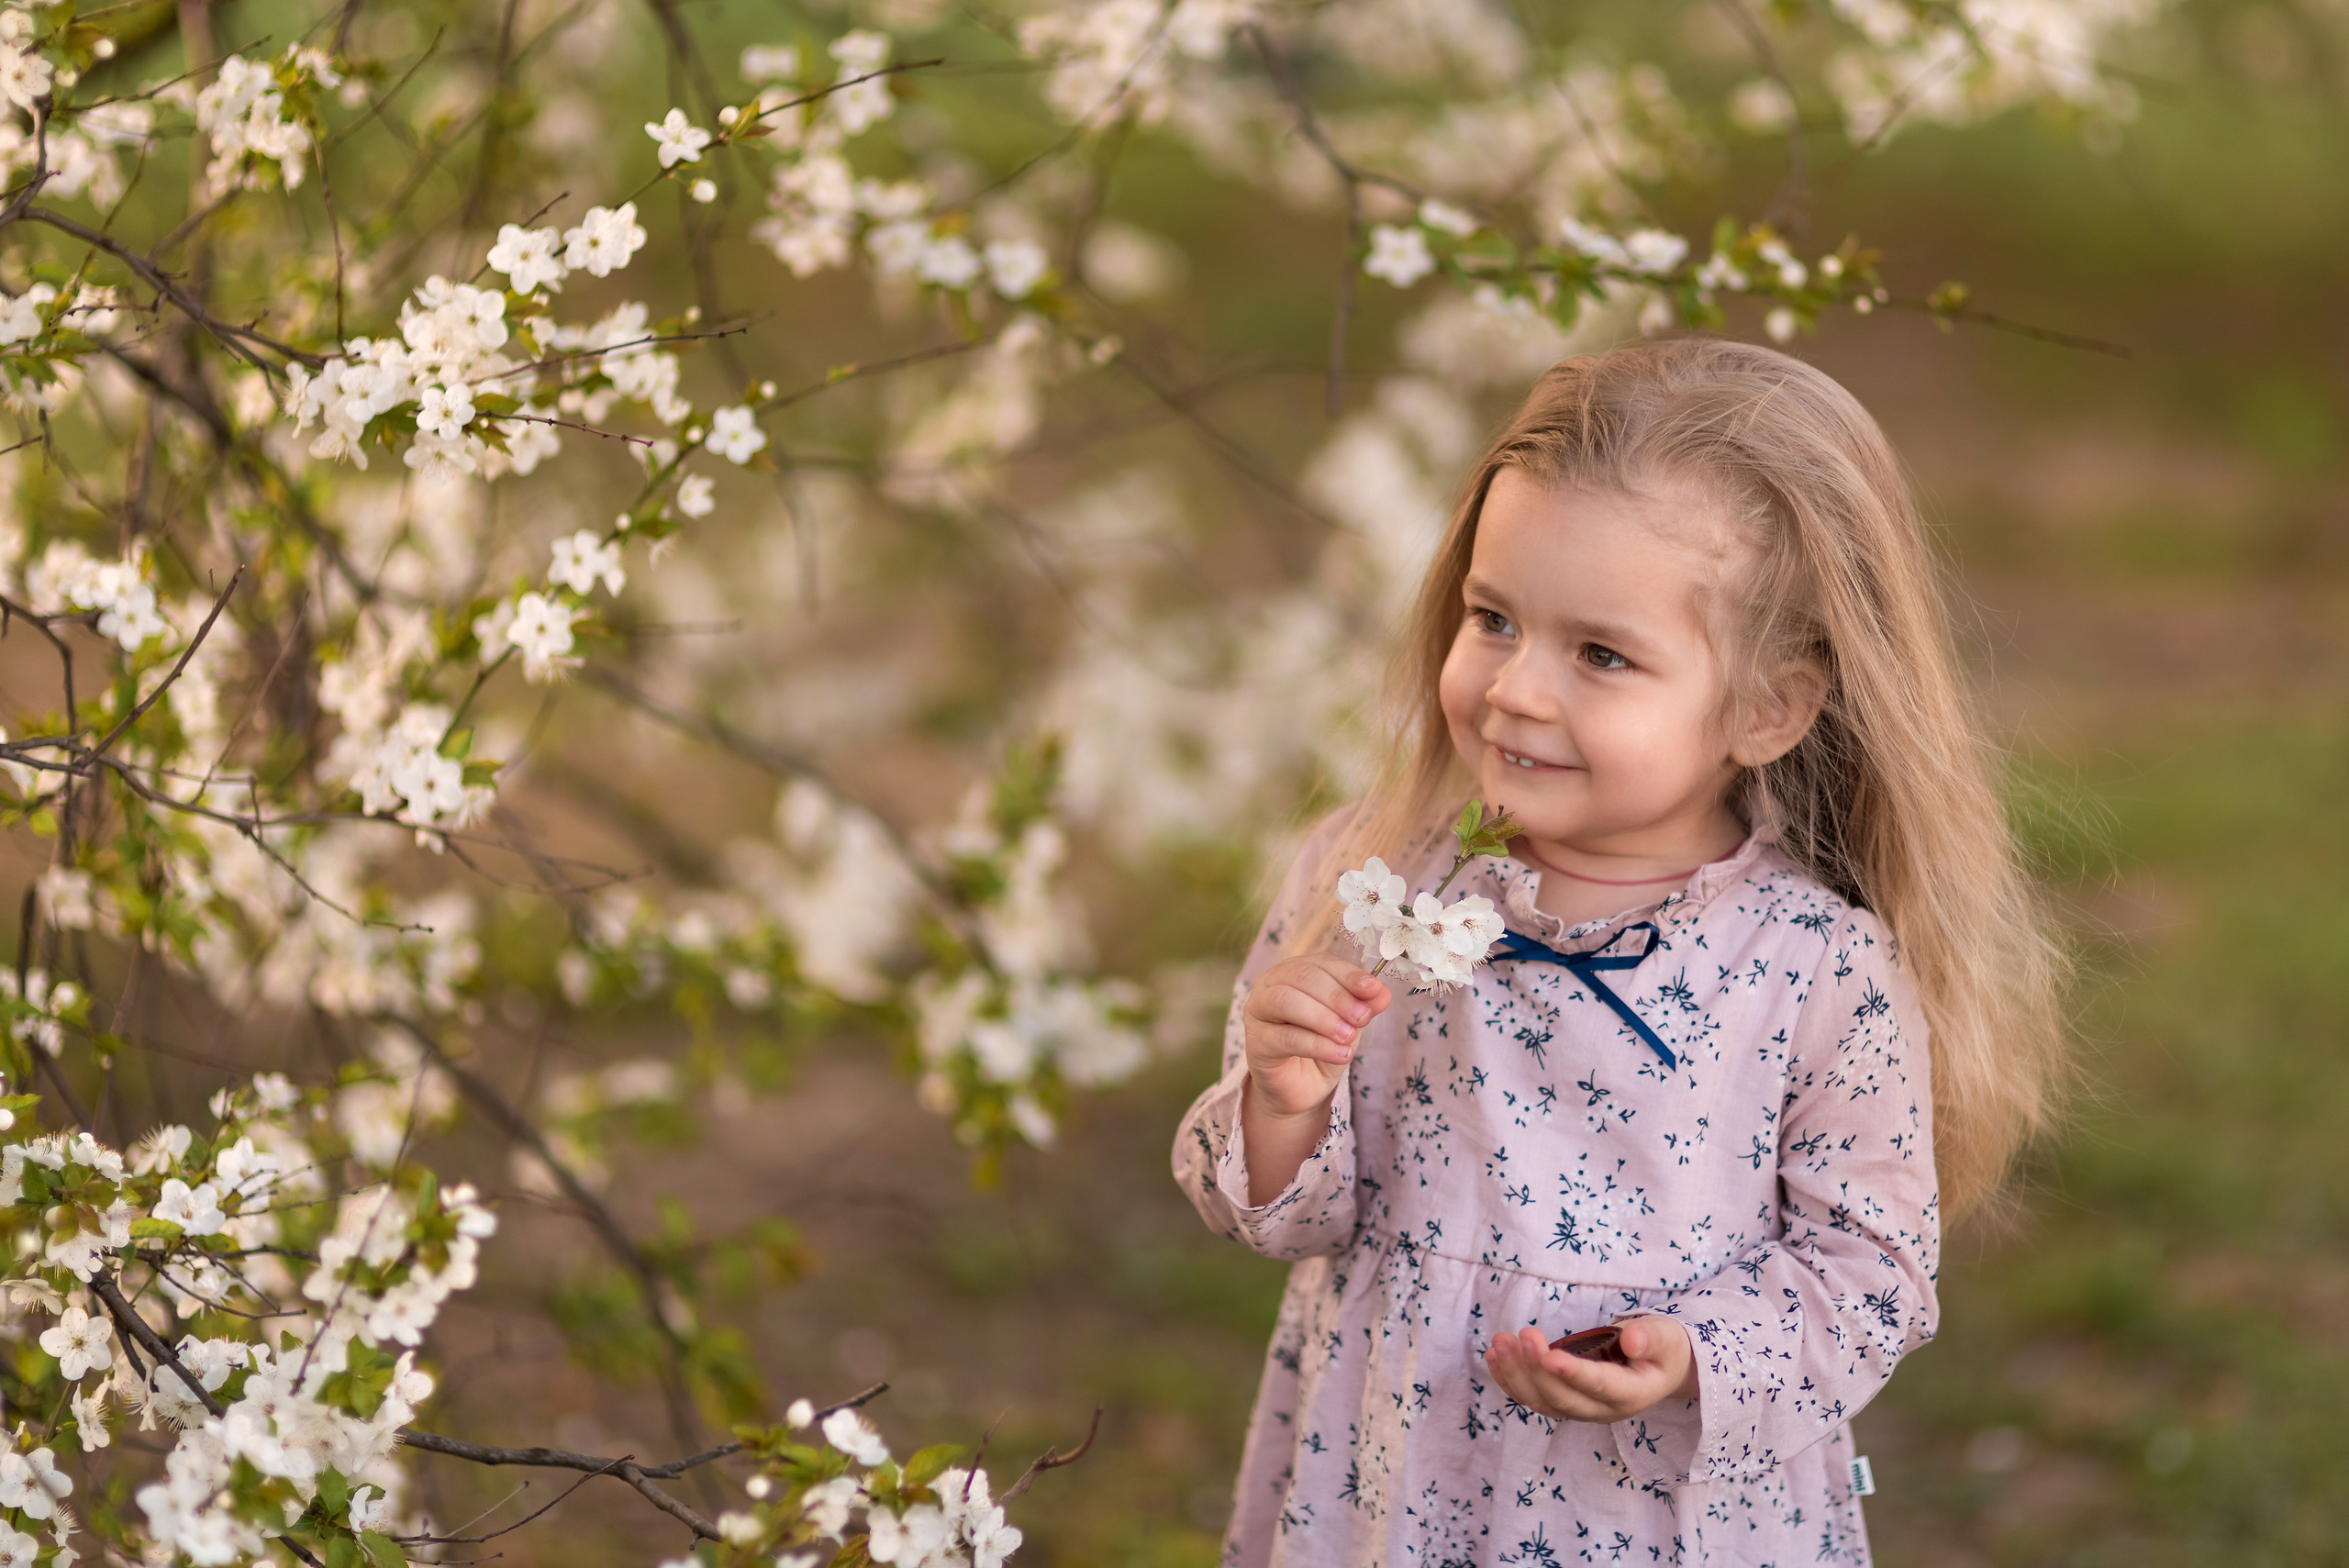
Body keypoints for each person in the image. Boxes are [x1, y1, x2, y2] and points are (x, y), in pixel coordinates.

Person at [1172, 337, 2069, 1566]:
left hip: (1657, 1516)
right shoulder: (1373, 879)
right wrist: (1284, 1099)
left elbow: (1870, 1275)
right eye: (1493, 619)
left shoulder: (1810, 964)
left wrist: (1693, 1353)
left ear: (1768, 706)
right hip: (1397, 1481)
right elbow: (1285, 1214)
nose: (1517, 690)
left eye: (1601, 654)